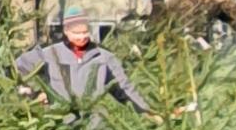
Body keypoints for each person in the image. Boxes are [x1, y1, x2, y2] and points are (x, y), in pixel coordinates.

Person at [12, 15, 150, 110]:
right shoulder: (49, 53)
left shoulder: (103, 57)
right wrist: (33, 95)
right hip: (57, 127)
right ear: (66, 31)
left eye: (85, 32)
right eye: (77, 33)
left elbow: (125, 88)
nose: (82, 37)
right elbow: (14, 71)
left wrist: (148, 111)